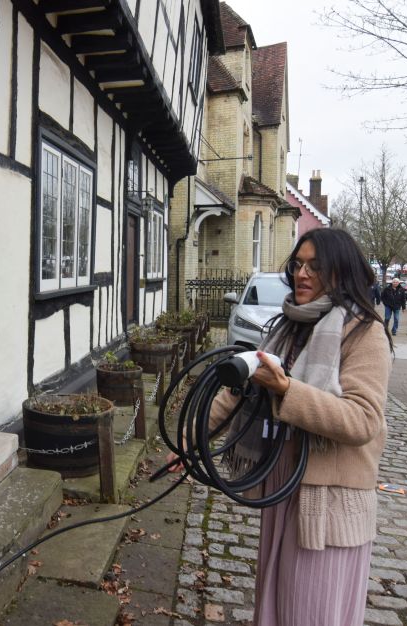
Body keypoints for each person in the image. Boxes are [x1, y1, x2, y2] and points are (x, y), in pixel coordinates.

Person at [167, 228, 393, 626]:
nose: (302, 274)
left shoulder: (365, 332)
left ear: (341, 272)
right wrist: (188, 442)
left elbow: (362, 420)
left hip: (327, 502)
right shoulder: (288, 328)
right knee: (277, 604)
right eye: (298, 264)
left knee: (311, 610)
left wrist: (288, 390)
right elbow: (240, 395)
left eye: (316, 266)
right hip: (284, 485)